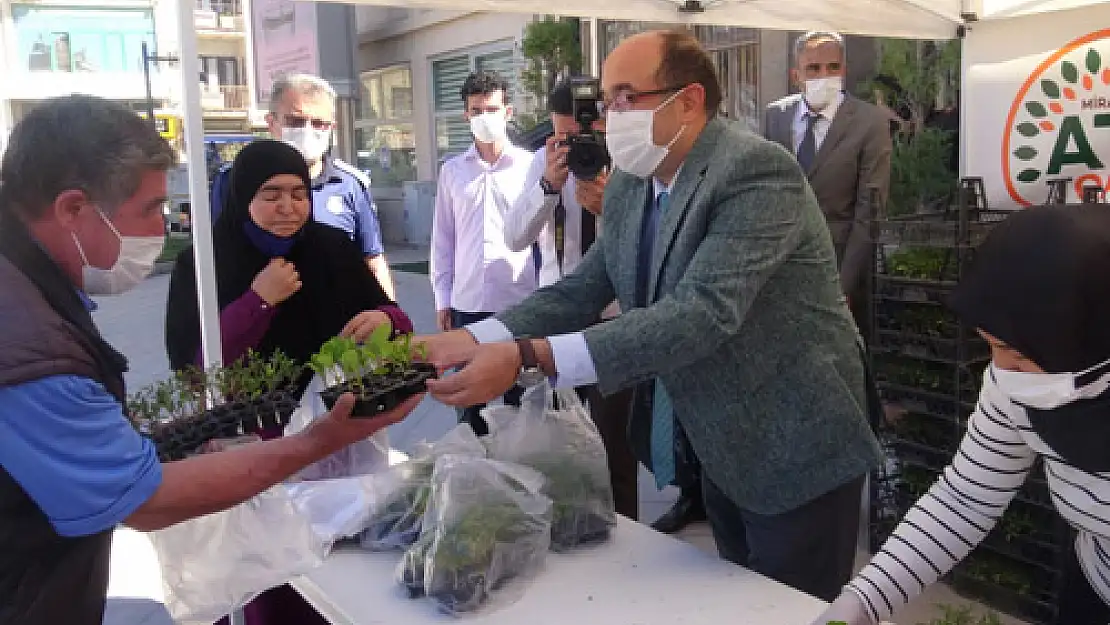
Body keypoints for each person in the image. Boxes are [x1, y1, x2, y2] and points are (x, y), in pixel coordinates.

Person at [417, 30, 882, 601]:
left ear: (687, 100)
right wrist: (471, 336)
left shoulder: (757, 172)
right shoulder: (635, 182)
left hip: (795, 443)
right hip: (720, 440)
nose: (606, 117)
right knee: (741, 600)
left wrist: (528, 358)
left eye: (621, 98)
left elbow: (701, 314)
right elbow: (584, 288)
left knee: (793, 609)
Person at [0, 95, 419, 625]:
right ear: (74, 209)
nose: (159, 231)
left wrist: (386, 322)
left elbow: (390, 315)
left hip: (321, 447)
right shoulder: (33, 341)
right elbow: (151, 479)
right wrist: (260, 303)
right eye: (151, 209)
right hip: (252, 444)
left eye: (298, 193)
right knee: (263, 577)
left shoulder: (331, 249)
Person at [815, 205, 1110, 625]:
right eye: (991, 345)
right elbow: (965, 498)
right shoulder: (1016, 386)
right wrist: (863, 600)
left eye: (1021, 356)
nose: (1000, 372)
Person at [504, 78, 638, 520]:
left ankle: (623, 533)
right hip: (558, 320)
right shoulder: (544, 163)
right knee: (560, 440)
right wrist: (546, 185)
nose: (576, 145)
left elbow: (649, 241)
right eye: (563, 137)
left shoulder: (632, 160)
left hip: (613, 322)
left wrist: (609, 207)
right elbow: (515, 236)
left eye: (586, 136)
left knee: (614, 445)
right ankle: (569, 523)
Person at [210, 73, 396, 299]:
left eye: (319, 123)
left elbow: (373, 260)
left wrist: (389, 314)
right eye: (295, 122)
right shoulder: (232, 182)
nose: (308, 131)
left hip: (338, 324)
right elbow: (217, 258)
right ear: (271, 123)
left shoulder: (349, 185)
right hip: (256, 318)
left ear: (332, 128)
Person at [763, 31, 892, 342]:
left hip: (837, 264)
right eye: (814, 69)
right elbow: (765, 192)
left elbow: (869, 212)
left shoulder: (869, 122)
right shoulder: (776, 116)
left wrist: (843, 285)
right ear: (797, 76)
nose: (825, 76)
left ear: (844, 70)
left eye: (833, 67)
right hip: (781, 267)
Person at [430, 69, 537, 435]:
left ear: (508, 112)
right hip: (468, 304)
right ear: (466, 116)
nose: (484, 118)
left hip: (520, 299)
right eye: (476, 111)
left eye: (491, 109)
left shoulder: (530, 167)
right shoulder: (452, 172)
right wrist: (442, 297)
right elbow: (443, 239)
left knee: (521, 399)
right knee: (469, 401)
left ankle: (519, 479)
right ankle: (474, 479)